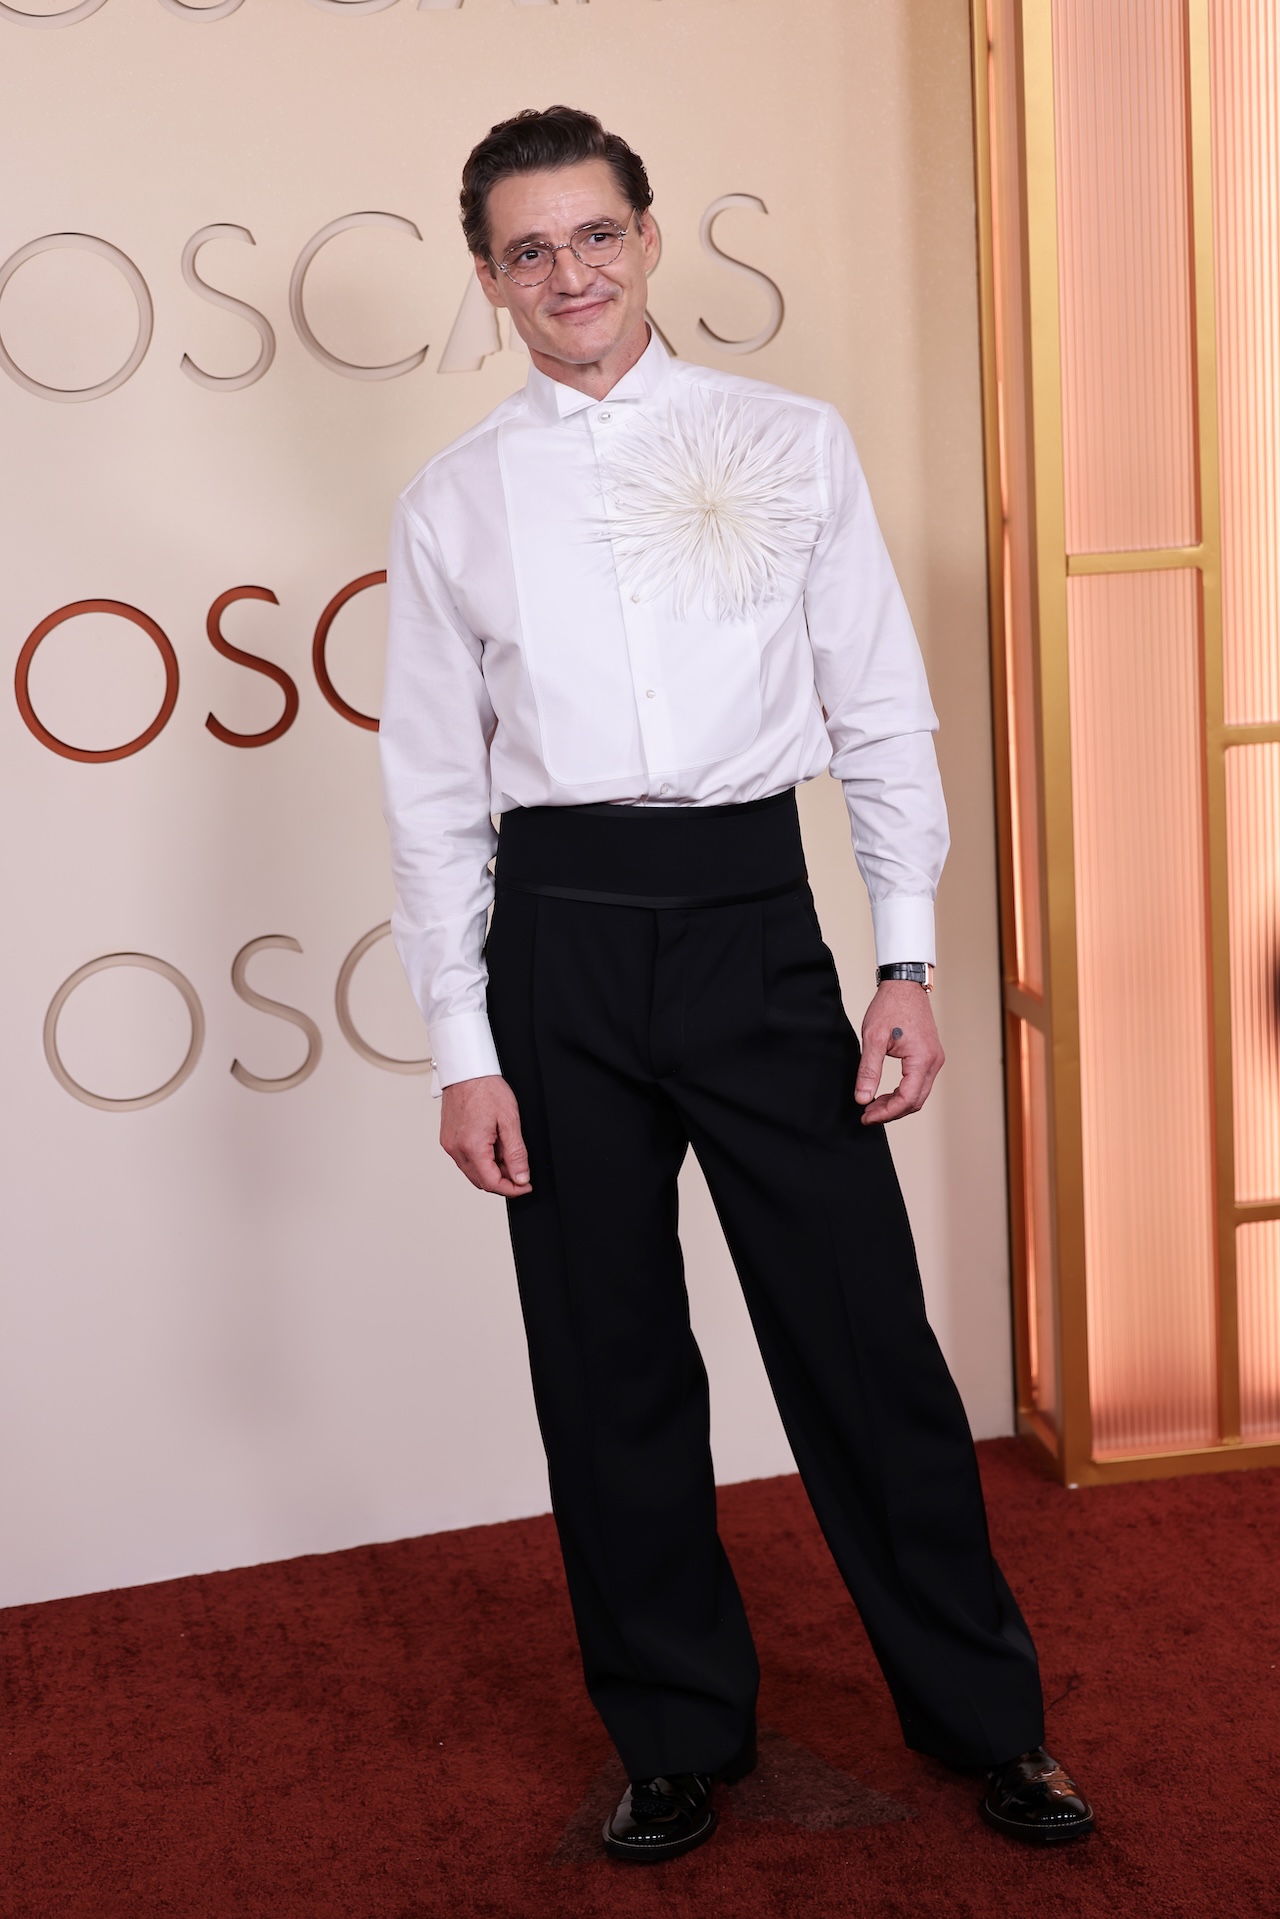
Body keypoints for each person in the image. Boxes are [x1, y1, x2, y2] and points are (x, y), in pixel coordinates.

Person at [380, 104, 1093, 1863]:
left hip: (755, 928)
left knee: (865, 1346)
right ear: (489, 281)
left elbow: (878, 710)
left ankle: (988, 1719)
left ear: (647, 237)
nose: (571, 273)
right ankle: (676, 1733)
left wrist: (907, 954)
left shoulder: (791, 442)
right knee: (606, 1366)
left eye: (595, 234)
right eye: (530, 250)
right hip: (555, 949)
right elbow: (430, 796)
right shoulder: (452, 501)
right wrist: (466, 1049)